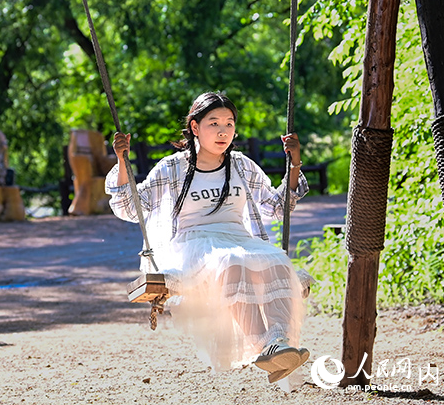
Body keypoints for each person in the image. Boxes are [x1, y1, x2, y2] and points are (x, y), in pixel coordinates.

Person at [105, 91, 310, 383]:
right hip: (194, 244)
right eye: (213, 123)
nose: (223, 131)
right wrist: (122, 162)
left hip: (239, 238)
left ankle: (279, 344)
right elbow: (130, 208)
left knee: (277, 260)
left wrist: (295, 165)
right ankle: (264, 345)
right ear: (195, 127)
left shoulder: (241, 165)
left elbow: (277, 208)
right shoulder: (173, 168)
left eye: (229, 124)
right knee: (232, 262)